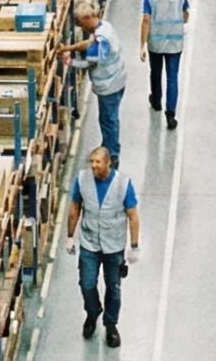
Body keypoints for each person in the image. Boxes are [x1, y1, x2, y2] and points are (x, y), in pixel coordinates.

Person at [65, 147, 140, 349]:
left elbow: (133, 216)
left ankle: (111, 325)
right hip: (89, 242)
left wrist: (134, 246)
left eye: (98, 162)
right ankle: (92, 311)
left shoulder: (123, 184)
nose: (93, 166)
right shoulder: (82, 180)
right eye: (91, 161)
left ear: (108, 163)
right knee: (87, 284)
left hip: (113, 246)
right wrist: (70, 237)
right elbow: (74, 209)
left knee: (113, 289)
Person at [62, 0, 130, 160]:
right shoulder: (104, 27)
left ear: (87, 19)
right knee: (108, 118)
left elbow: (87, 63)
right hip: (117, 79)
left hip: (109, 85)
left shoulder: (100, 43)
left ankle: (112, 155)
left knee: (108, 120)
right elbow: (88, 43)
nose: (81, 27)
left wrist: (69, 61)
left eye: (80, 23)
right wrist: (68, 48)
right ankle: (108, 145)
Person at [141, 0, 189, 129]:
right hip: (175, 42)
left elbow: (146, 20)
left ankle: (156, 101)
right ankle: (170, 114)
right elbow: (185, 16)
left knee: (155, 72)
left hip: (155, 42)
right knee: (172, 77)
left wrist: (142, 45)